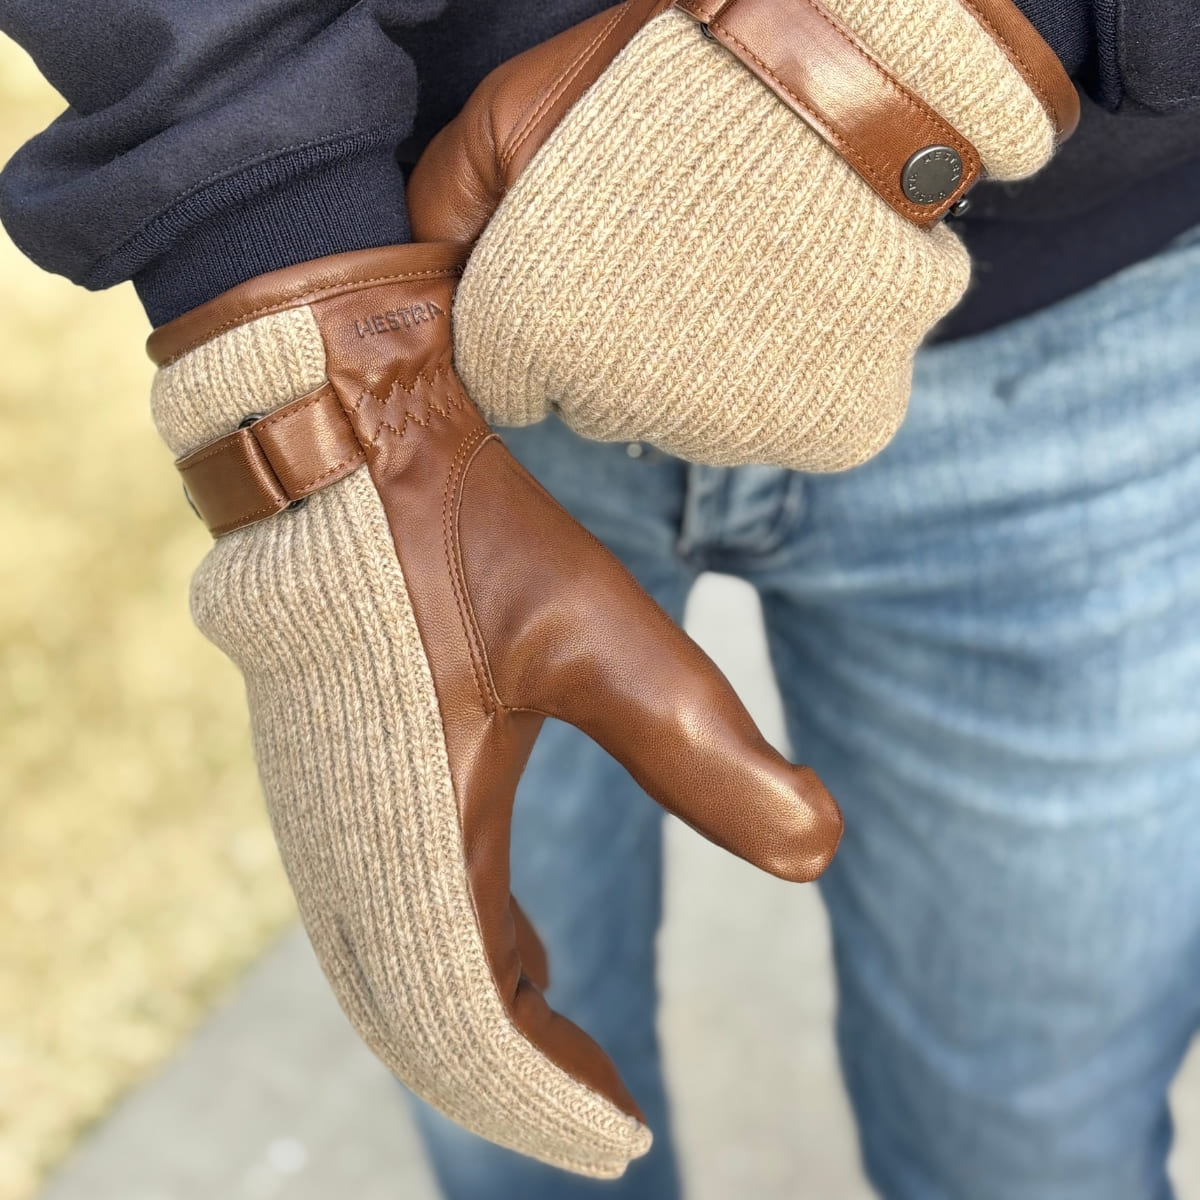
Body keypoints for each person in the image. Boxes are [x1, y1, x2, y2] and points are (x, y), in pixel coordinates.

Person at [2, 1, 1199, 1197]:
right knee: (509, 1108)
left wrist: (912, 47)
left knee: (1039, 1152)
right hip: (447, 322)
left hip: (1084, 322)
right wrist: (316, 358)